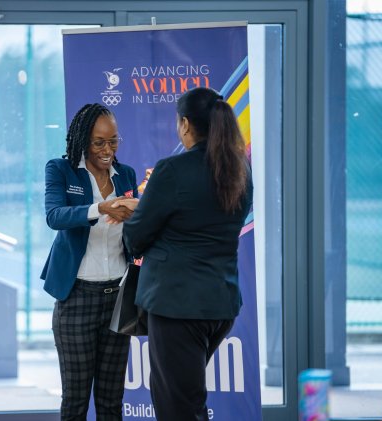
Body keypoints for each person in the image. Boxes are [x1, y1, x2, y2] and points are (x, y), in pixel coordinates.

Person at [121, 87, 254, 420]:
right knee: (186, 400)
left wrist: (138, 214)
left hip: (178, 307)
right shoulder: (240, 170)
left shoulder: (172, 170)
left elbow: (136, 238)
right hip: (219, 304)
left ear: (184, 124)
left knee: (178, 407)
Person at [40, 103, 139, 420]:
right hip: (77, 298)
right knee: (76, 401)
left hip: (118, 299)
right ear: (83, 141)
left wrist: (137, 216)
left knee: (111, 402)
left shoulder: (126, 175)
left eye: (113, 141)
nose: (108, 150)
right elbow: (55, 216)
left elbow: (133, 236)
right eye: (99, 143)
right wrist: (101, 209)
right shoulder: (61, 169)